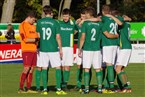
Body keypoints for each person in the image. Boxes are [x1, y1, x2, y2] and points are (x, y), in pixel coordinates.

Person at [36, 5, 67, 95]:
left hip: (43, 48)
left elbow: (38, 36)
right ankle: (58, 89)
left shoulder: (39, 22)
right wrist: (60, 49)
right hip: (53, 48)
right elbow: (58, 37)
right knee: (57, 67)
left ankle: (45, 89)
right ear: (51, 13)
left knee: (44, 67)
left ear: (44, 12)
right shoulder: (55, 22)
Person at [78, 7, 103, 94]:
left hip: (87, 48)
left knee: (86, 69)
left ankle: (87, 89)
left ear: (89, 14)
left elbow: (83, 37)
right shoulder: (100, 24)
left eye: (86, 14)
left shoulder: (86, 24)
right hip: (97, 48)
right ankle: (100, 88)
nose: (85, 15)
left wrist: (80, 48)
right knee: (98, 69)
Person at [101, 5, 121, 93]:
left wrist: (114, 36)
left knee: (109, 65)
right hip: (115, 45)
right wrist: (116, 36)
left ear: (102, 11)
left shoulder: (103, 19)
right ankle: (108, 85)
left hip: (108, 44)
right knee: (112, 65)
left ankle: (111, 86)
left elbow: (108, 35)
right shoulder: (114, 19)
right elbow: (121, 23)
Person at [18, 11, 39, 93]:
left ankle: (28, 88)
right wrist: (36, 40)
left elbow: (37, 37)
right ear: (29, 17)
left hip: (34, 50)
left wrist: (37, 40)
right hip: (26, 50)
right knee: (26, 68)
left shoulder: (33, 26)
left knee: (31, 69)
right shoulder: (22, 25)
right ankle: (20, 88)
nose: (34, 21)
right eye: (33, 20)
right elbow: (25, 39)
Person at [59, 8, 77, 91]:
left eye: (66, 16)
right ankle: (60, 84)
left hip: (69, 48)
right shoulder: (59, 23)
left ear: (70, 16)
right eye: (64, 16)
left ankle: (65, 84)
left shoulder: (73, 24)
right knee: (61, 67)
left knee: (68, 66)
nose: (65, 18)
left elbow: (76, 31)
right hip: (60, 47)